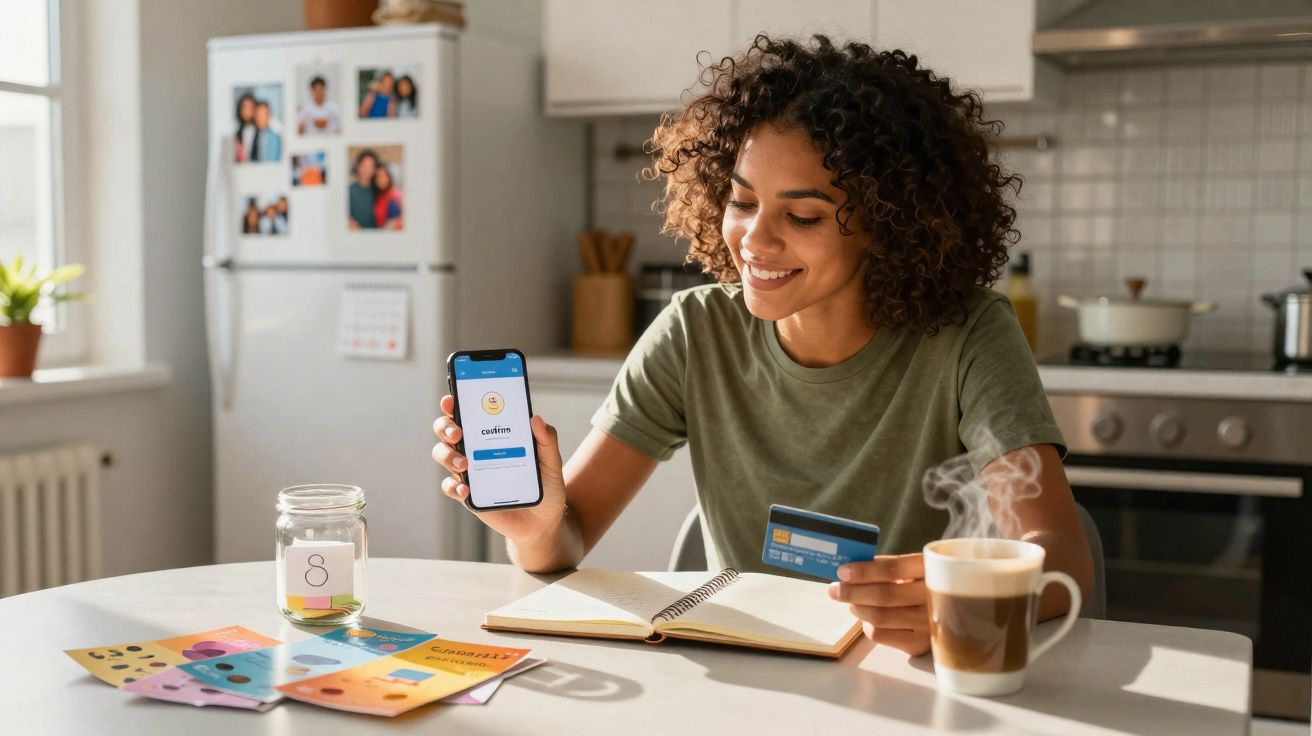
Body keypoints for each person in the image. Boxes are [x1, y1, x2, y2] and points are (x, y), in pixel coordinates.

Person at [430, 35, 1094, 657]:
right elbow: (565, 542)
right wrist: (537, 526)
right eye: (742, 202)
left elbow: (1061, 557)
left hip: (904, 679)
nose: (754, 240)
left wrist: (966, 605)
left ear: (888, 224)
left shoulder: (968, 333)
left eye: (802, 215)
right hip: (745, 680)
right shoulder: (695, 331)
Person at [348, 149, 379, 230]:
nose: (367, 169)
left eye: (371, 166)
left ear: (374, 170)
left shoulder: (378, 190)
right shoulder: (349, 191)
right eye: (364, 165)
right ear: (358, 167)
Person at [373, 164, 403, 230]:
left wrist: (396, 224)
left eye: (384, 176)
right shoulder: (377, 196)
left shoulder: (396, 195)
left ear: (389, 177)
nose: (381, 180)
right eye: (378, 177)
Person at [234, 93, 256, 163]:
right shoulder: (238, 133)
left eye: (250, 107)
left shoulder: (260, 131)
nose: (247, 111)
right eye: (244, 107)